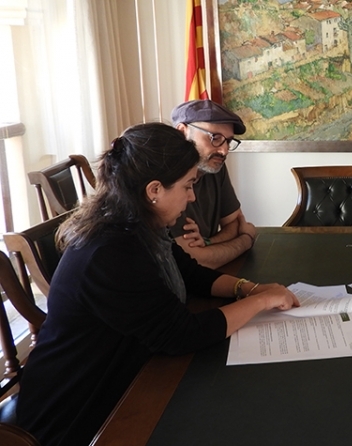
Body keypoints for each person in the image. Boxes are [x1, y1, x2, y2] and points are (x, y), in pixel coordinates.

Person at [16, 123, 299, 446]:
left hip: (129, 374)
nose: (192, 196)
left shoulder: (139, 223)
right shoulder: (110, 252)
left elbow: (192, 275)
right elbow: (181, 334)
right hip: (78, 412)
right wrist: (262, 303)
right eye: (188, 186)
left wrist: (250, 289)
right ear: (154, 191)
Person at [170, 99, 255, 269]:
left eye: (228, 141)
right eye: (214, 138)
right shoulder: (167, 179)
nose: (224, 151)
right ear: (182, 132)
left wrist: (208, 242)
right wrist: (247, 240)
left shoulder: (213, 167)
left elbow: (236, 223)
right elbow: (195, 261)